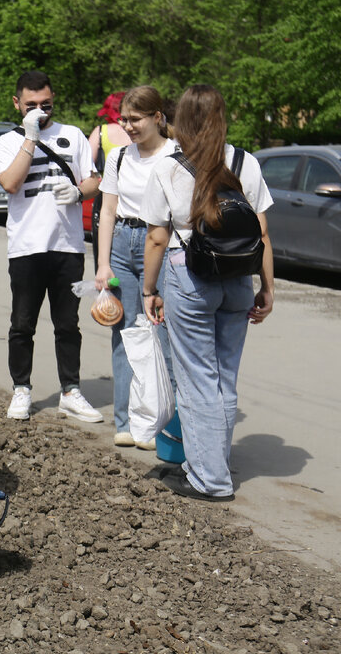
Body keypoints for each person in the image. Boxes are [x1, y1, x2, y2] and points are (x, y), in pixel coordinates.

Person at [140, 84, 274, 502]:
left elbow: (157, 238)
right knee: (224, 379)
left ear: (180, 120)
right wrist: (268, 287)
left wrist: (149, 290)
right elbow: (264, 233)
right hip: (238, 280)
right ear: (221, 118)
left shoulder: (167, 167)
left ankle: (209, 479)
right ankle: (212, 462)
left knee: (197, 380)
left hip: (191, 278)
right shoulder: (244, 162)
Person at [0, 70, 103, 423]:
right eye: (31, 105)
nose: (40, 111)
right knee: (22, 323)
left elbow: (95, 180)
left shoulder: (72, 135)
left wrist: (78, 192)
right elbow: (10, 183)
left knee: (67, 323)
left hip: (67, 246)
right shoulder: (7, 142)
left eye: (46, 105)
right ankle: (21, 389)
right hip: (26, 246)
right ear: (17, 103)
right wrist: (31, 135)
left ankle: (70, 391)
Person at [93, 86, 177, 449]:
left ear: (158, 117)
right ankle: (126, 421)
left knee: (159, 333)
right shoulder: (120, 158)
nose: (127, 126)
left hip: (161, 243)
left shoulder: (176, 155)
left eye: (135, 119)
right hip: (124, 243)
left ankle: (160, 423)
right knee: (124, 331)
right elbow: (108, 211)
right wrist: (102, 263)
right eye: (123, 119)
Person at [87, 92, 131, 265]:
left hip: (106, 193)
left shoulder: (101, 132)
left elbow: (88, 165)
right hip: (132, 193)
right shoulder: (136, 131)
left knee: (104, 245)